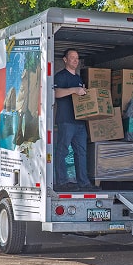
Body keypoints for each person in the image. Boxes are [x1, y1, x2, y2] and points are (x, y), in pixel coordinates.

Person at [54, 48, 98, 192]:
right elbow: (57, 93)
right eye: (72, 57)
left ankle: (83, 183)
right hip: (66, 120)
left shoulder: (78, 78)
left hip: (79, 121)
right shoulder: (60, 76)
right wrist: (74, 90)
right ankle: (61, 182)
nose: (75, 60)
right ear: (65, 60)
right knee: (63, 151)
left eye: (77, 58)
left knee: (81, 152)